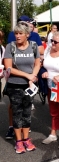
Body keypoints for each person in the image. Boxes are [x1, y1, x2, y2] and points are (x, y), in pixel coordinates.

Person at [3, 22, 40, 154]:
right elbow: (9, 68)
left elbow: (37, 63)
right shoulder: (10, 46)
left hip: (29, 86)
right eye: (16, 33)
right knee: (17, 113)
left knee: (27, 112)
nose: (17, 36)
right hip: (14, 85)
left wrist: (33, 76)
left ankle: (26, 139)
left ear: (27, 35)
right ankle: (18, 142)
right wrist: (27, 75)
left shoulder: (34, 46)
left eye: (20, 34)